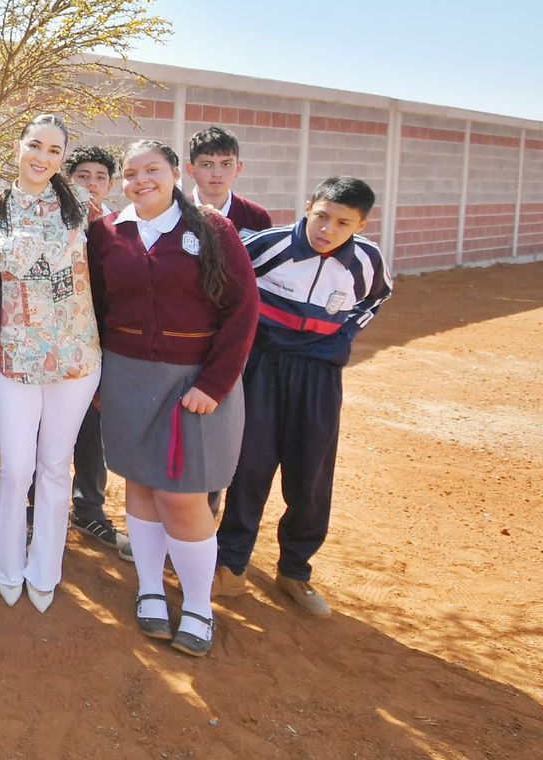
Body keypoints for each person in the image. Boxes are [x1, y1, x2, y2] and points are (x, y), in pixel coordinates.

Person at [87, 140, 260, 657]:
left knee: (182, 498)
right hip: (127, 377)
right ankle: (150, 590)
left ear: (174, 173)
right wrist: (99, 378)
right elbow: (93, 307)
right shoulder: (107, 233)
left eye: (152, 170)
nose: (142, 180)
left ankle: (201, 607)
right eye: (131, 173)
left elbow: (242, 308)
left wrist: (214, 383)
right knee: (140, 487)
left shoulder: (212, 228)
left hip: (194, 384)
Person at [215, 177, 391, 617]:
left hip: (318, 376)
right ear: (308, 205)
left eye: (343, 223)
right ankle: (231, 565)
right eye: (321, 216)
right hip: (264, 369)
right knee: (249, 466)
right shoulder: (266, 245)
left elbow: (378, 296)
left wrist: (345, 331)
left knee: (310, 473)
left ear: (361, 225)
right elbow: (225, 284)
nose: (327, 229)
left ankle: (295, 570)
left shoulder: (366, 261)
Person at [0, 117, 102, 613]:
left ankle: (46, 567)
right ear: (18, 148)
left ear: (62, 157)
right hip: (12, 359)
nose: (42, 157)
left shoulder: (84, 210)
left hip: (75, 357)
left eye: (54, 150)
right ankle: (6, 563)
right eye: (35, 145)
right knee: (16, 467)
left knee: (55, 467)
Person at [61, 146, 132, 560]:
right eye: (82, 175)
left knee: (92, 433)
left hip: (99, 348)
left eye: (99, 177)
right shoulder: (53, 222)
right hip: (52, 346)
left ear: (110, 184)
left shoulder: (118, 230)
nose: (90, 184)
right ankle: (33, 511)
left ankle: (89, 509)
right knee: (42, 435)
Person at [186, 126, 273, 238]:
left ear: (238, 168)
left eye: (226, 164)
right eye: (207, 165)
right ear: (191, 170)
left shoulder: (257, 217)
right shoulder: (175, 213)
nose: (217, 173)